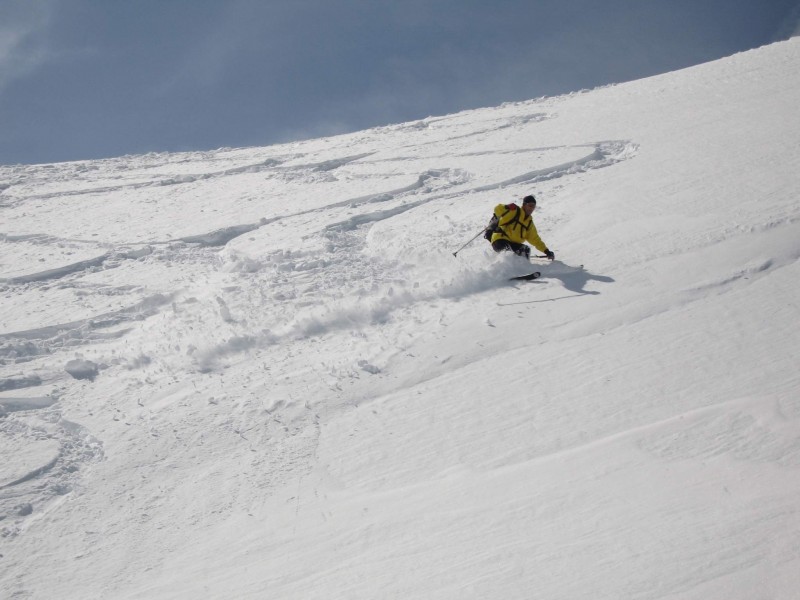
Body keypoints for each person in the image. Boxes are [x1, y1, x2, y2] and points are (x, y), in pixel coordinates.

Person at [488, 194, 555, 260]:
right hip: (499, 240)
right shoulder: (514, 211)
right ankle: (508, 268)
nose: (531, 209)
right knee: (508, 252)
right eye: (530, 205)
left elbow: (535, 239)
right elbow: (497, 209)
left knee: (526, 250)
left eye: (533, 207)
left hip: (512, 244)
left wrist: (546, 251)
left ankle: (522, 269)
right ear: (524, 205)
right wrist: (507, 207)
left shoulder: (529, 223)